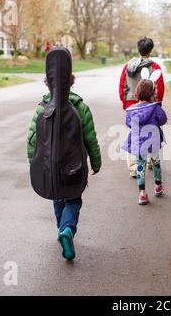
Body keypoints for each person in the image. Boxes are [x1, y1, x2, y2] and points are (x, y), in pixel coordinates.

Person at [27, 51, 101, 260]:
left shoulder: (41, 109)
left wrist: (32, 163)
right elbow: (90, 139)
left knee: (57, 198)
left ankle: (61, 229)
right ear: (71, 82)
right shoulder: (81, 107)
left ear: (47, 83)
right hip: (74, 168)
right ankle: (67, 230)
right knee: (73, 200)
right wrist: (96, 162)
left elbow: (32, 140)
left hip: (49, 169)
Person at [119, 37, 165, 178]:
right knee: (153, 132)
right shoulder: (155, 68)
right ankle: (151, 161)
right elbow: (160, 89)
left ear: (138, 49)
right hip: (151, 106)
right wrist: (157, 105)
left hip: (132, 105)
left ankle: (134, 168)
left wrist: (125, 103)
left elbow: (122, 86)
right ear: (150, 50)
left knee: (133, 135)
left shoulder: (128, 66)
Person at [122, 68, 167, 205]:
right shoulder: (156, 108)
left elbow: (128, 124)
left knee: (140, 165)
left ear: (138, 92)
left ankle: (142, 193)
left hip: (138, 142)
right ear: (153, 93)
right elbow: (163, 120)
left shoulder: (131, 110)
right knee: (156, 163)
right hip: (153, 141)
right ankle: (158, 186)